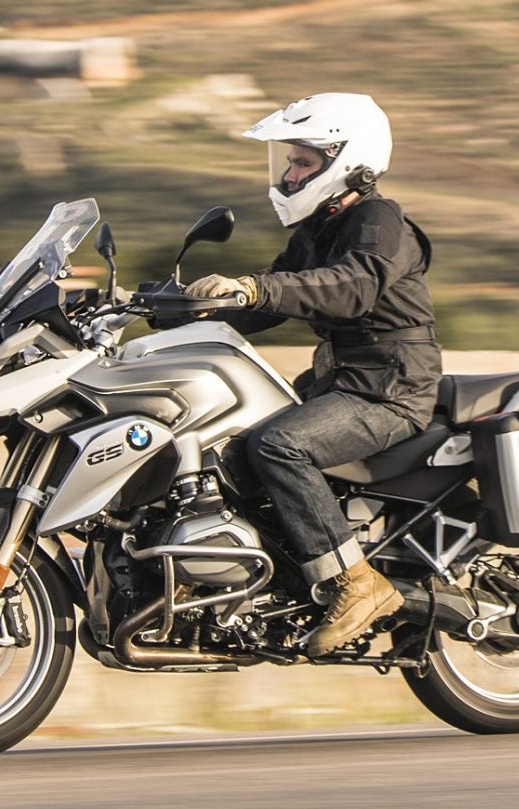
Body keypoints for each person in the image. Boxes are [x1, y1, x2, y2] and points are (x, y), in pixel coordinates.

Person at [182, 91, 437, 657]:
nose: (291, 175)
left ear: (347, 160)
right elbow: (267, 305)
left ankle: (358, 583)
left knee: (279, 446)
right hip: (339, 383)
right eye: (289, 162)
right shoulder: (316, 232)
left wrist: (254, 286)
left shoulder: (380, 221)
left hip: (389, 389)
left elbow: (351, 287)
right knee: (225, 448)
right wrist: (163, 307)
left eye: (303, 162)